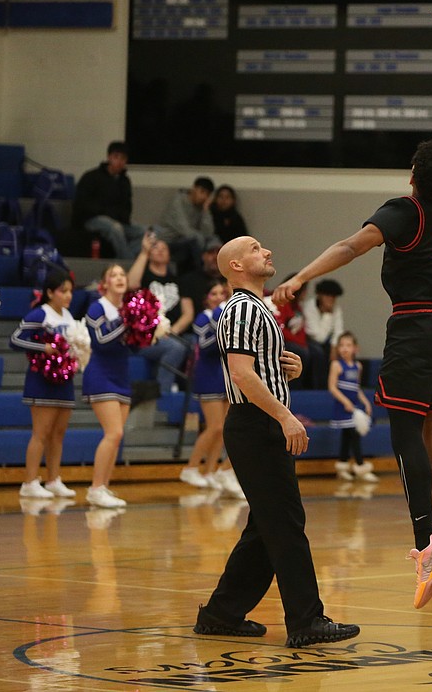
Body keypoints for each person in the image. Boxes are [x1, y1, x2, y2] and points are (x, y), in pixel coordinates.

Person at [272, 138, 432, 619]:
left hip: (415, 328)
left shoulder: (404, 211)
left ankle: (427, 547)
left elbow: (350, 245)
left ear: (412, 178)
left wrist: (301, 278)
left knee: (407, 441)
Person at [196, 235, 359, 648]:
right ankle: (306, 620)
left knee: (266, 526)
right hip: (256, 426)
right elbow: (241, 374)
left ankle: (221, 613)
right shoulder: (239, 310)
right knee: (285, 525)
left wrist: (290, 366)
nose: (266, 251)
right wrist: (286, 416)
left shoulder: (257, 309)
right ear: (235, 265)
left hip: (260, 425)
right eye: (254, 248)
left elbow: (258, 369)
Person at [9, 270, 79, 500]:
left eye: (70, 291)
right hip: (42, 380)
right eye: (63, 291)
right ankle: (29, 482)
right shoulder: (40, 314)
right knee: (41, 433)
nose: (68, 296)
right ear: (50, 292)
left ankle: (53, 479)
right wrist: (44, 348)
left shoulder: (69, 316)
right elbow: (16, 339)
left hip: (65, 380)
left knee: (59, 433)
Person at [179, 280, 244, 499]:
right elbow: (205, 347)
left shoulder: (227, 314)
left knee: (225, 429)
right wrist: (220, 320)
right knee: (215, 426)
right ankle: (190, 468)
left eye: (221, 293)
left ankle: (210, 471)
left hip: (225, 375)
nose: (218, 296)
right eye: (213, 293)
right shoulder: (204, 317)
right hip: (207, 375)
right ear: (207, 297)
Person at [83, 264, 133, 509]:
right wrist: (129, 322)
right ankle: (95, 488)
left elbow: (133, 344)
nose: (119, 278)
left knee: (116, 438)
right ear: (104, 284)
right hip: (100, 375)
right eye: (113, 275)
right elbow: (101, 340)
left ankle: (104, 486)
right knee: (114, 433)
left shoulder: (127, 309)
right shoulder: (97, 307)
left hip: (122, 375)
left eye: (122, 274)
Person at [128, 233, 194, 393]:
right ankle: (162, 393)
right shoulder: (144, 277)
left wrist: (171, 331)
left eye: (164, 248)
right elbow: (130, 284)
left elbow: (188, 313)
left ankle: (194, 392)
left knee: (199, 343)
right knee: (176, 348)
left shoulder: (178, 280)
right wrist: (144, 252)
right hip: (146, 335)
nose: (160, 250)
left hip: (172, 333)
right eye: (155, 247)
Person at [72, 141, 145, 260]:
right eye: (116, 157)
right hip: (91, 219)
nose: (119, 162)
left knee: (145, 232)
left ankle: (122, 257)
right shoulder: (91, 176)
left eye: (123, 158)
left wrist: (123, 217)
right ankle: (128, 262)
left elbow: (127, 206)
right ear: (109, 157)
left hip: (117, 220)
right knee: (115, 228)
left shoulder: (124, 181)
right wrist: (107, 212)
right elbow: (82, 204)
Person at [328, 331, 376, 483]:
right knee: (354, 435)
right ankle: (361, 467)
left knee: (347, 438)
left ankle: (342, 467)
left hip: (354, 407)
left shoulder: (358, 366)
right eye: (341, 345)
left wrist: (366, 402)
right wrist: (345, 402)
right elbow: (332, 387)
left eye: (348, 345)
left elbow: (357, 388)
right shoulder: (336, 365)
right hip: (343, 408)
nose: (344, 348)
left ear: (356, 348)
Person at [156, 176, 216, 272]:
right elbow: (185, 231)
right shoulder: (178, 201)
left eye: (207, 195)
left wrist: (206, 211)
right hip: (168, 242)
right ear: (194, 188)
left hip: (186, 243)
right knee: (195, 241)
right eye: (202, 192)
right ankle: (201, 274)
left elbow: (208, 233)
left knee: (214, 241)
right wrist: (201, 239)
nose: (203, 197)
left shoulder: (201, 207)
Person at [303, 278, 344, 390]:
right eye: (327, 295)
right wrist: (327, 315)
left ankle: (335, 387)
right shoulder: (309, 307)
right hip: (309, 341)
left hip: (327, 342)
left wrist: (334, 346)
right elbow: (318, 336)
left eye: (333, 296)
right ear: (320, 295)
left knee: (343, 350)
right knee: (318, 353)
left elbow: (339, 331)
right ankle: (318, 388)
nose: (330, 299)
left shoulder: (336, 309)